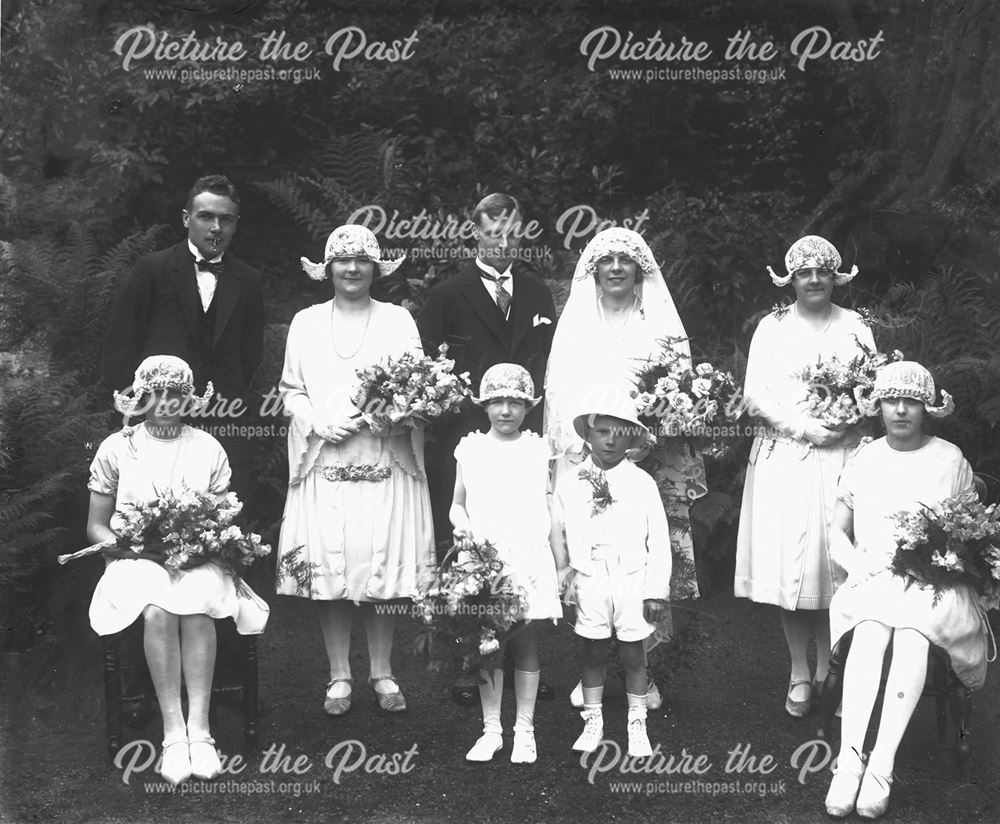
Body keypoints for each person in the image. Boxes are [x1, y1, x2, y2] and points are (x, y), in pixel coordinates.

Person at [87, 355, 268, 786]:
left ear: (189, 399)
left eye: (176, 394)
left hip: (196, 559)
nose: (166, 403)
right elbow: (95, 524)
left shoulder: (207, 447)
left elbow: (225, 518)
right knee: (158, 611)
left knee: (197, 606)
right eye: (158, 393)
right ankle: (173, 732)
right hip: (135, 559)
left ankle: (200, 730)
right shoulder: (119, 446)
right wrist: (127, 546)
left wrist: (204, 542)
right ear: (142, 396)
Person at [275, 225, 434, 716]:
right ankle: (339, 674)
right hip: (326, 456)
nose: (351, 269)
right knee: (332, 567)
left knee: (377, 564)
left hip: (384, 454)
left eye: (361, 261)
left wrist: (383, 417)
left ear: (375, 269)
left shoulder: (398, 322)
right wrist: (319, 421)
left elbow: (418, 384)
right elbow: (290, 390)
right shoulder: (304, 322)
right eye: (342, 260)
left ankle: (382, 672)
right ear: (327, 269)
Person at [544, 227, 705, 708]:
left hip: (648, 463)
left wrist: (647, 444)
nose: (616, 267)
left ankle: (644, 670)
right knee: (594, 564)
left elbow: (682, 391)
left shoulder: (659, 324)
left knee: (642, 564)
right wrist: (585, 451)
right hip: (589, 458)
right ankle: (591, 672)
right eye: (606, 259)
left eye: (625, 259)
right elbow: (559, 394)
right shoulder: (577, 323)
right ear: (593, 269)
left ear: (641, 269)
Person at [823, 361, 991, 819]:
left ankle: (882, 764)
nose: (901, 410)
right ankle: (850, 761)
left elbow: (968, 529)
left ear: (927, 408)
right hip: (875, 575)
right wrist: (857, 564)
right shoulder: (865, 457)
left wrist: (949, 559)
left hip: (934, 582)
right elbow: (837, 530)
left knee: (914, 631)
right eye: (891, 401)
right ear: (877, 407)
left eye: (911, 402)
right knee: (874, 627)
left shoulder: (949, 458)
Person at [418, 192, 557, 704]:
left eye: (512, 232)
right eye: (492, 231)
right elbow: (427, 373)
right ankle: (469, 660)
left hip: (522, 440)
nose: (503, 241)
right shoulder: (446, 295)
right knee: (470, 553)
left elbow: (547, 366)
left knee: (522, 546)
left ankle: (524, 662)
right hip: (467, 445)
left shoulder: (539, 294)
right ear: (473, 233)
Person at [734, 235, 874, 717]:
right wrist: (803, 426)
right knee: (793, 569)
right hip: (787, 454)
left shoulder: (856, 325)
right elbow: (755, 394)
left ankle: (833, 671)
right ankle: (799, 672)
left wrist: (846, 422)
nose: (814, 279)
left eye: (823, 271)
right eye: (804, 272)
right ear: (791, 278)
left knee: (835, 567)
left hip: (842, 455)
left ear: (836, 276)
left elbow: (871, 387)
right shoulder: (771, 327)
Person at [99, 174, 265, 508]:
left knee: (219, 521)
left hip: (223, 421)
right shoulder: (151, 270)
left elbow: (250, 356)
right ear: (187, 219)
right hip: (158, 419)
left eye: (225, 219)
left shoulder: (248, 280)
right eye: (206, 216)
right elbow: (120, 347)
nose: (216, 227)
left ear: (235, 224)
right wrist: (137, 411)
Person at [450, 364, 564, 764]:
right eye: (497, 402)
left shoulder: (538, 449)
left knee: (525, 643)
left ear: (527, 408)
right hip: (485, 560)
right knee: (488, 646)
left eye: (515, 403)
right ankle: (491, 730)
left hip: (528, 556)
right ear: (484, 406)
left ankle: (525, 731)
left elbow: (550, 505)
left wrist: (561, 562)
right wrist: (462, 530)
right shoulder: (471, 449)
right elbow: (457, 505)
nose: (505, 411)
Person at [555, 395, 671, 758]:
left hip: (632, 577)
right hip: (590, 577)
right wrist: (567, 575)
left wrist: (655, 592)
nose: (609, 440)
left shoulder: (642, 483)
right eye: (601, 432)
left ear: (631, 437)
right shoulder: (571, 482)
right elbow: (559, 532)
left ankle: (637, 724)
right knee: (592, 651)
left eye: (618, 433)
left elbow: (660, 541)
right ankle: (594, 721)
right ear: (589, 435)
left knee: (634, 654)